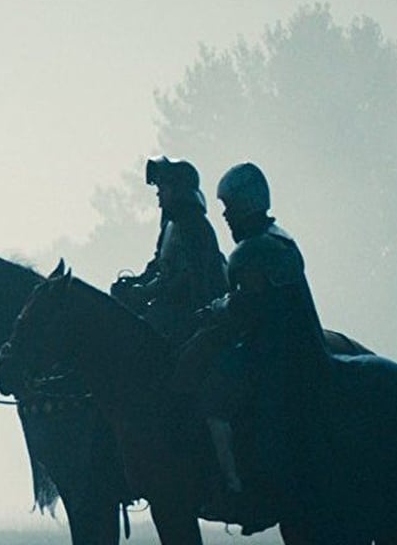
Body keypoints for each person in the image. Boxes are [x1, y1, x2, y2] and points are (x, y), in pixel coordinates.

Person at [186, 163, 330, 533]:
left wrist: (213, 310)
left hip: (271, 354)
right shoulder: (279, 239)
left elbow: (244, 307)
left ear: (246, 205)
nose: (226, 216)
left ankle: (236, 486)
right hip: (292, 347)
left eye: (230, 208)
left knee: (213, 398)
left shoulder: (251, 251)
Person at [111, 157, 227, 343]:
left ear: (178, 189)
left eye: (162, 188)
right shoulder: (170, 226)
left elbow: (188, 276)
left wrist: (145, 292)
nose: (158, 194)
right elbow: (158, 264)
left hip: (192, 315)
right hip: (169, 309)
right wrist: (134, 282)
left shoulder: (195, 226)